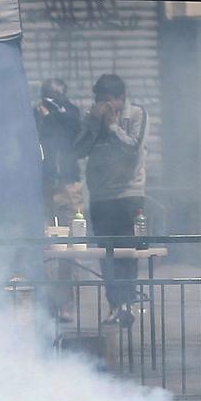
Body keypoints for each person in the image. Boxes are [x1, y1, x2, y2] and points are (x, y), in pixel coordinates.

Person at [75, 74, 147, 326]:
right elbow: (78, 150)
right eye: (99, 100)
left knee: (127, 252)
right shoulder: (92, 117)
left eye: (107, 100)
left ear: (120, 98)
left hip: (128, 194)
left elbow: (132, 149)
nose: (103, 105)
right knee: (105, 254)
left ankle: (128, 304)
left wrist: (113, 125)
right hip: (100, 196)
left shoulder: (135, 114)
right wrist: (95, 126)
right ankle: (114, 304)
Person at [34, 78, 82, 322]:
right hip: (45, 182)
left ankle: (65, 302)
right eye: (48, 95)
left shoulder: (70, 113)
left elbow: (74, 131)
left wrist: (53, 113)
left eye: (56, 96)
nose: (51, 100)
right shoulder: (35, 113)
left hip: (68, 183)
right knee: (44, 243)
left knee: (68, 245)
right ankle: (46, 301)